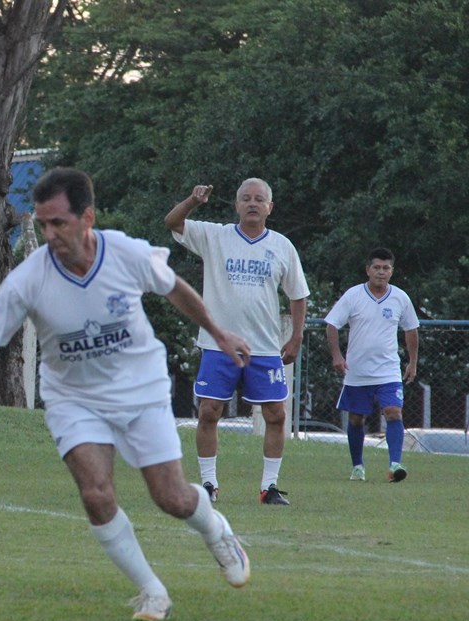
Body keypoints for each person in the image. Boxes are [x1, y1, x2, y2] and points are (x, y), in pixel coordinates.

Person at [0, 167, 251, 621]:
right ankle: (151, 591)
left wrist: (218, 331)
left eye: (59, 222)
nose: (50, 233)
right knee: (95, 494)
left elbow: (174, 288)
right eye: (42, 223)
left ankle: (215, 529)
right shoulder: (28, 279)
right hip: (73, 399)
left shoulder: (125, 252)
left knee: (171, 498)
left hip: (141, 389)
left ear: (87, 217)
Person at [165, 180, 310, 506]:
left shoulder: (282, 246)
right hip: (220, 346)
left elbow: (298, 295)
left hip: (264, 347)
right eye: (246, 198)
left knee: (275, 415)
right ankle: (208, 484)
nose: (253, 204)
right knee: (209, 411)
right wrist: (191, 201)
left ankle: (269, 487)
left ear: (270, 207)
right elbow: (172, 223)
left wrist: (296, 336)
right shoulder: (215, 236)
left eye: (260, 199)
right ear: (236, 205)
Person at [324, 247, 419, 482]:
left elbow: (411, 330)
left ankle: (395, 464)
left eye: (386, 268)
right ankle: (358, 466)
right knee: (357, 418)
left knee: (393, 412)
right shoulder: (353, 295)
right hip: (357, 371)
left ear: (392, 271)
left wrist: (412, 362)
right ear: (368, 270)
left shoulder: (400, 298)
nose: (381, 272)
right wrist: (337, 356)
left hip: (388, 370)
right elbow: (332, 324)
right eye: (376, 267)